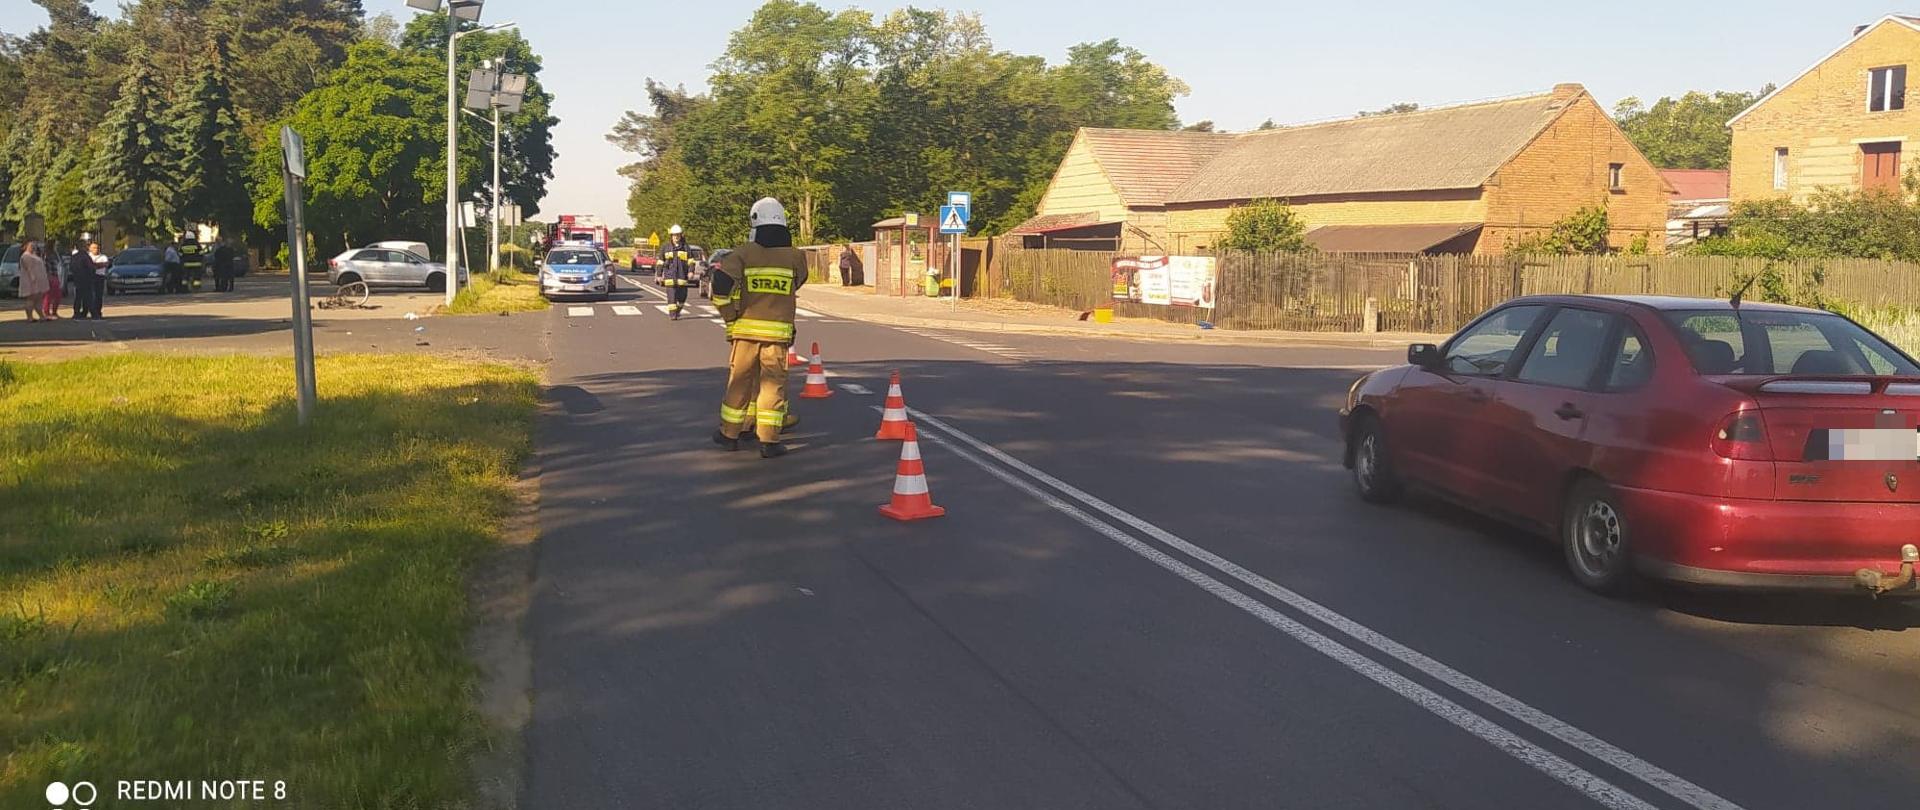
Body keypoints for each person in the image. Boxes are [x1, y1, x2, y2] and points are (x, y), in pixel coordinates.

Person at [711, 198, 808, 459]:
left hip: (745, 333)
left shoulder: (742, 254)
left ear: (755, 221)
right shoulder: (796, 257)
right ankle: (769, 441)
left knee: (739, 382)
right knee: (772, 386)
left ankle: (730, 434)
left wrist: (730, 317)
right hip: (777, 335)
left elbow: (719, 288)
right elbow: (798, 282)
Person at [659, 225, 695, 321]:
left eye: (678, 235)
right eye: (674, 235)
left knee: (682, 299)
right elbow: (660, 262)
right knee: (672, 299)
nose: (676, 237)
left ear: (681, 235)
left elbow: (691, 261)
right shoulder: (665, 247)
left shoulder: (685, 247)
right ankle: (673, 315)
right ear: (671, 236)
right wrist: (659, 275)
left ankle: (678, 310)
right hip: (670, 277)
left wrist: (691, 271)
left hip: (682, 278)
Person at [17, 241, 49, 322]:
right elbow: (29, 268)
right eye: (31, 245)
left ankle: (41, 316)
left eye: (34, 245)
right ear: (26, 246)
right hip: (31, 281)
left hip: (38, 281)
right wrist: (33, 278)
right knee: (31, 299)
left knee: (38, 299)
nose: (33, 247)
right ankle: (29, 317)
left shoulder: (34, 255)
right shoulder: (25, 256)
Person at [77, 241, 108, 319]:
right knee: (89, 296)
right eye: (94, 248)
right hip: (90, 277)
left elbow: (105, 264)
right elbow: (86, 266)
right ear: (89, 248)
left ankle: (98, 312)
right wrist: (95, 265)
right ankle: (85, 312)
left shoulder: (103, 256)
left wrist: (93, 265)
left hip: (100, 278)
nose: (96, 249)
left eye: (97, 248)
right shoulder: (87, 256)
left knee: (98, 296)